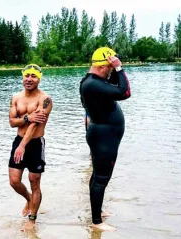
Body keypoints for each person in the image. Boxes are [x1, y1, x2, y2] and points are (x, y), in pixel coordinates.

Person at [79, 47, 131, 231]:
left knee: (97, 176)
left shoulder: (94, 81)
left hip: (104, 135)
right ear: (103, 67)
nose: (111, 71)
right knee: (101, 178)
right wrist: (119, 68)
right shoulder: (92, 84)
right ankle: (96, 222)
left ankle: (97, 212)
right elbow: (125, 92)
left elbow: (116, 87)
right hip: (103, 136)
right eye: (108, 68)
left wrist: (115, 69)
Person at [8, 64, 53, 231]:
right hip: (18, 141)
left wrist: (23, 145)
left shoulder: (45, 99)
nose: (29, 79)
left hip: (35, 144)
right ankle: (28, 199)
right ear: (23, 77)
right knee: (14, 181)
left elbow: (35, 124)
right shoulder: (16, 97)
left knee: (34, 182)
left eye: (33, 76)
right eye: (27, 76)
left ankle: (32, 219)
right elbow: (12, 122)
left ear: (39, 79)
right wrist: (27, 117)